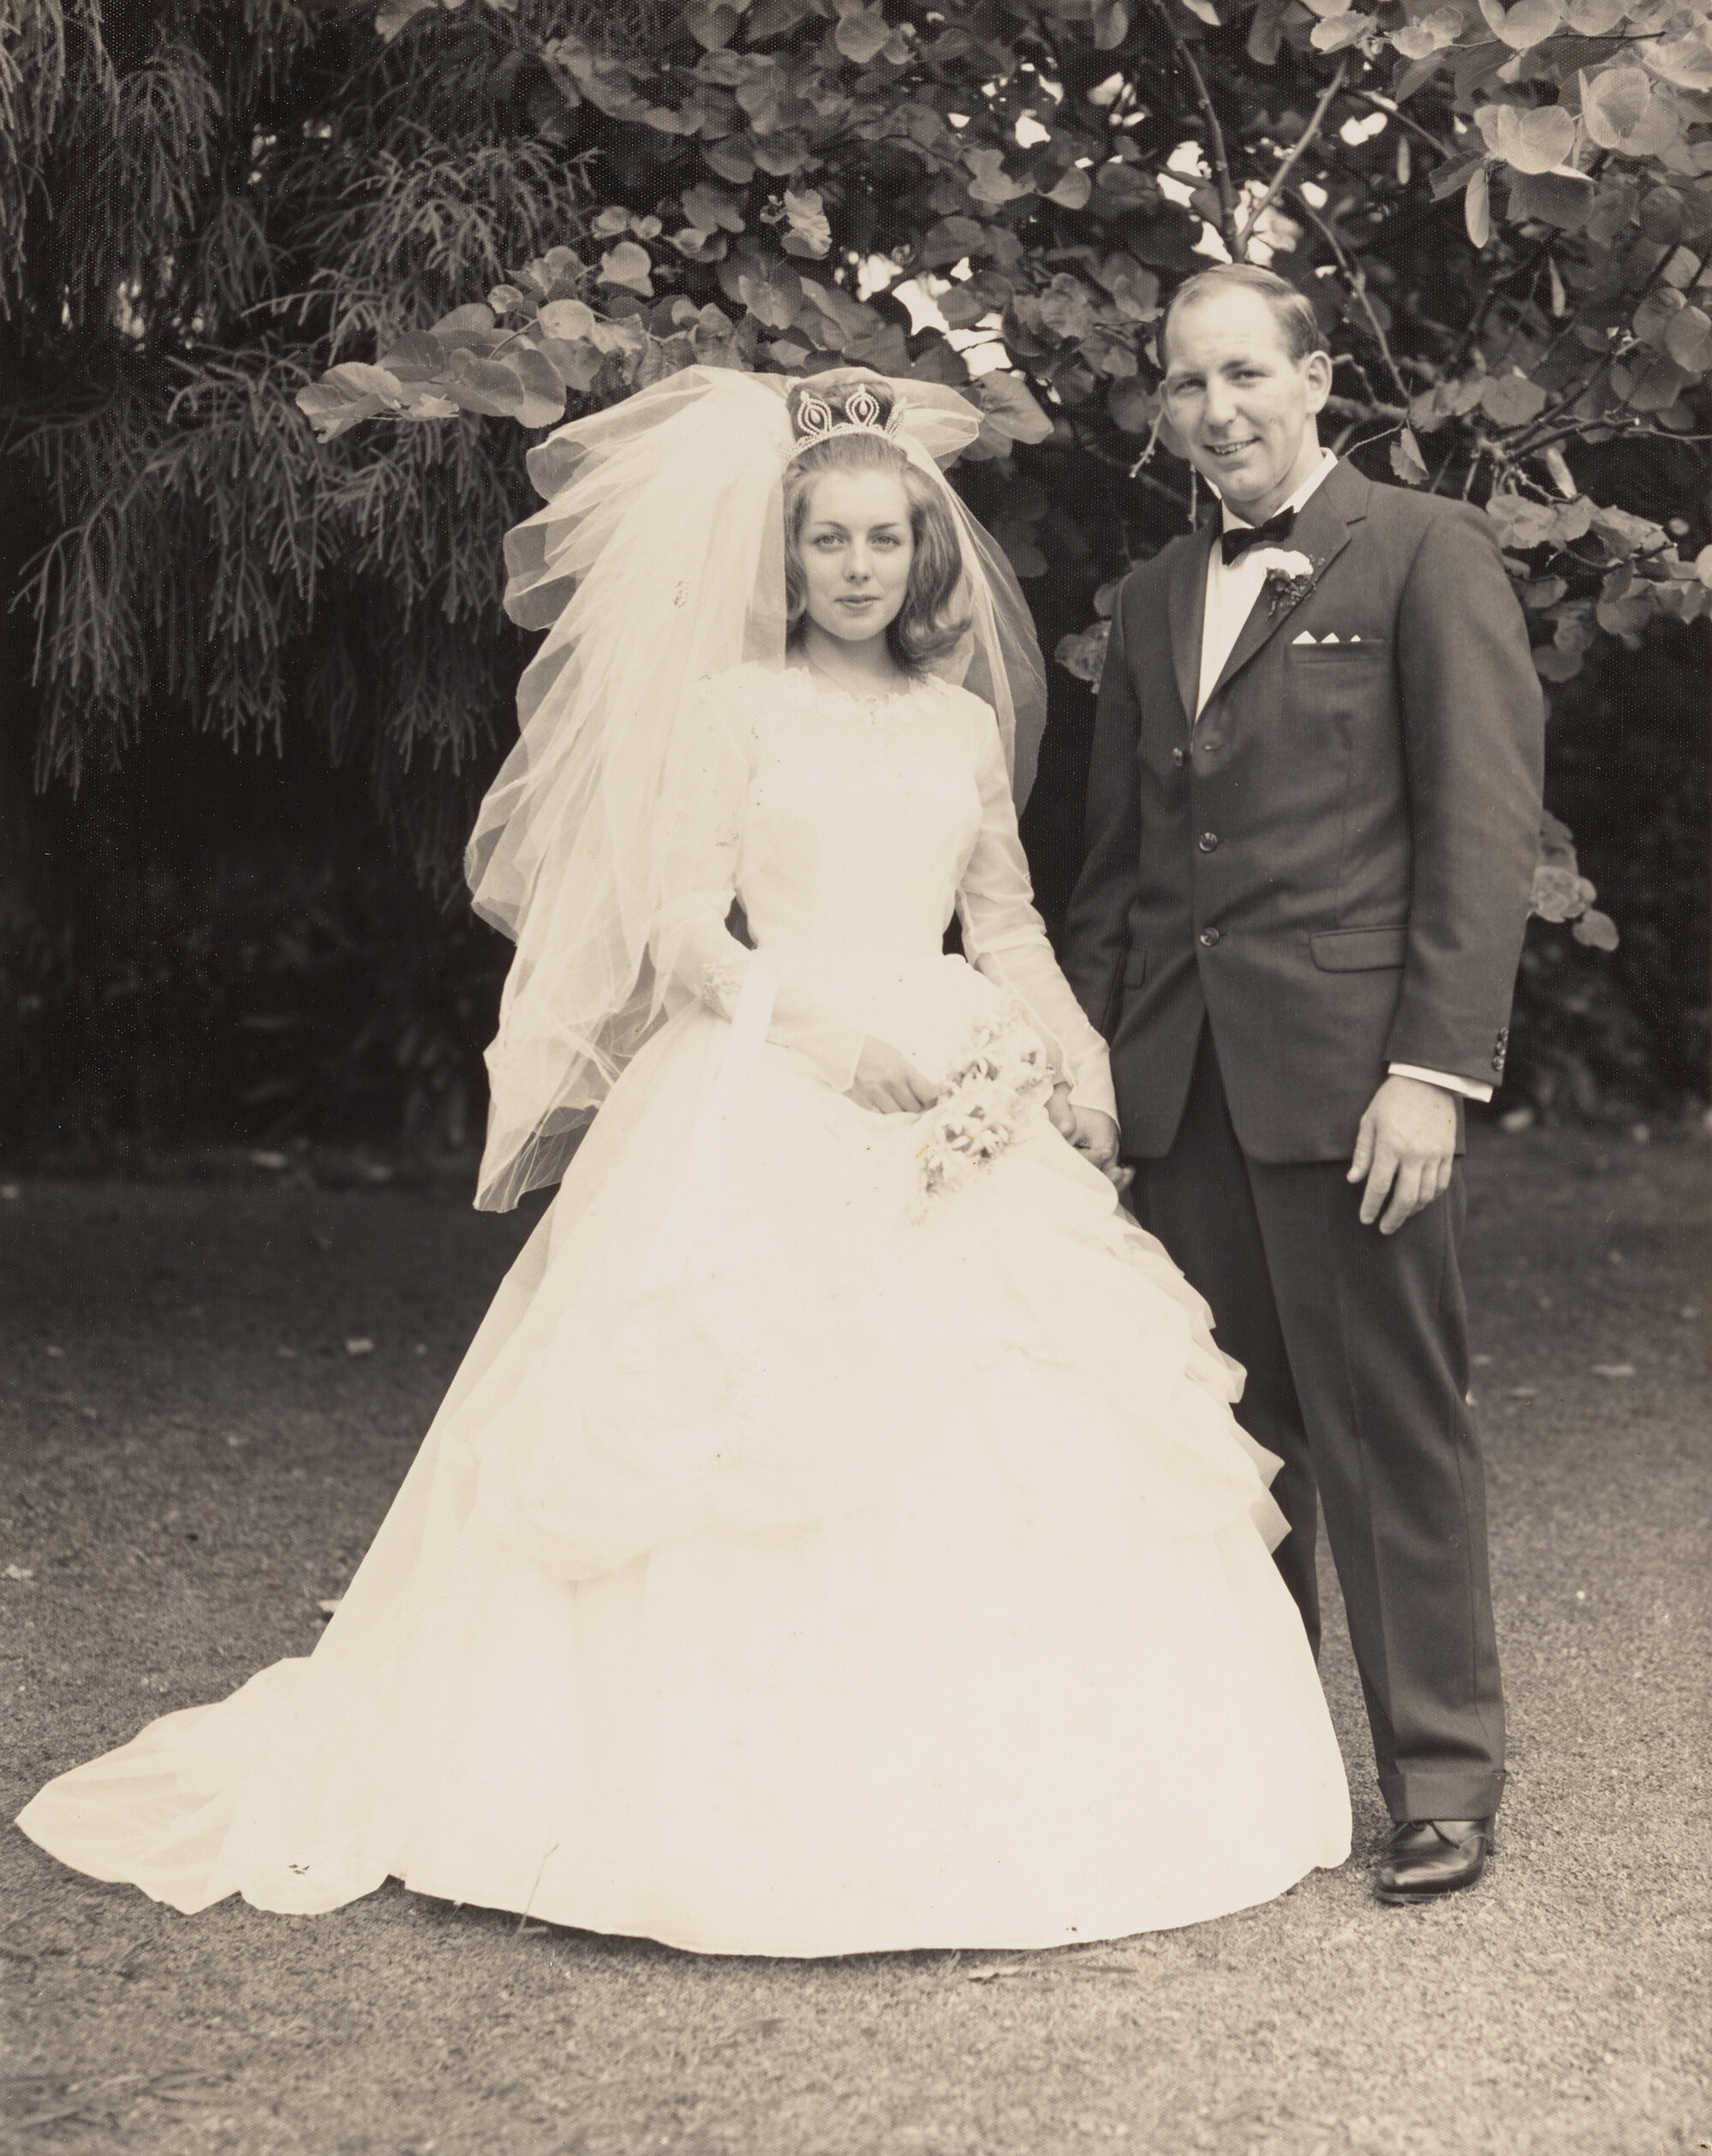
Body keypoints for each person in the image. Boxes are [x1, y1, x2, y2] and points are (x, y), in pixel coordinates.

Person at [16, 365, 1350, 1956]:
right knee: (727, 1429)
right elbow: (671, 931)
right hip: (769, 1081)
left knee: (1011, 1406)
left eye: (883, 541)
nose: (858, 568)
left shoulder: (959, 723)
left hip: (956, 1087)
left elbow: (1003, 921)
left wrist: (1071, 1069)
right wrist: (824, 1033)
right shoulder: (731, 713)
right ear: (782, 560)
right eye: (828, 543)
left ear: (925, 558)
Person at [1062, 265, 1544, 1906]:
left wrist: (1432, 1073)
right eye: (1188, 384)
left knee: (1387, 1427)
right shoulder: (1143, 599)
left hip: (1356, 1089)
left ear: (1319, 377)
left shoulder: (1424, 553)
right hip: (1176, 1090)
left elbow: (1480, 835)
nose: (1220, 411)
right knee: (1224, 1447)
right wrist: (1087, 1079)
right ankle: (1257, 1777)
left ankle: (1443, 1778)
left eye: (1248, 373)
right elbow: (1122, 873)